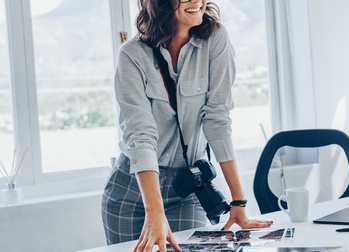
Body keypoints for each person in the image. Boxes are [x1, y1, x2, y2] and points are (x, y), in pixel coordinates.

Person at [101, 0, 273, 251]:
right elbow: (140, 134)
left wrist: (239, 202)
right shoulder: (132, 54)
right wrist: (154, 211)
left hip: (187, 188)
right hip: (131, 193)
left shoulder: (215, 40)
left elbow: (218, 119)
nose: (197, 2)